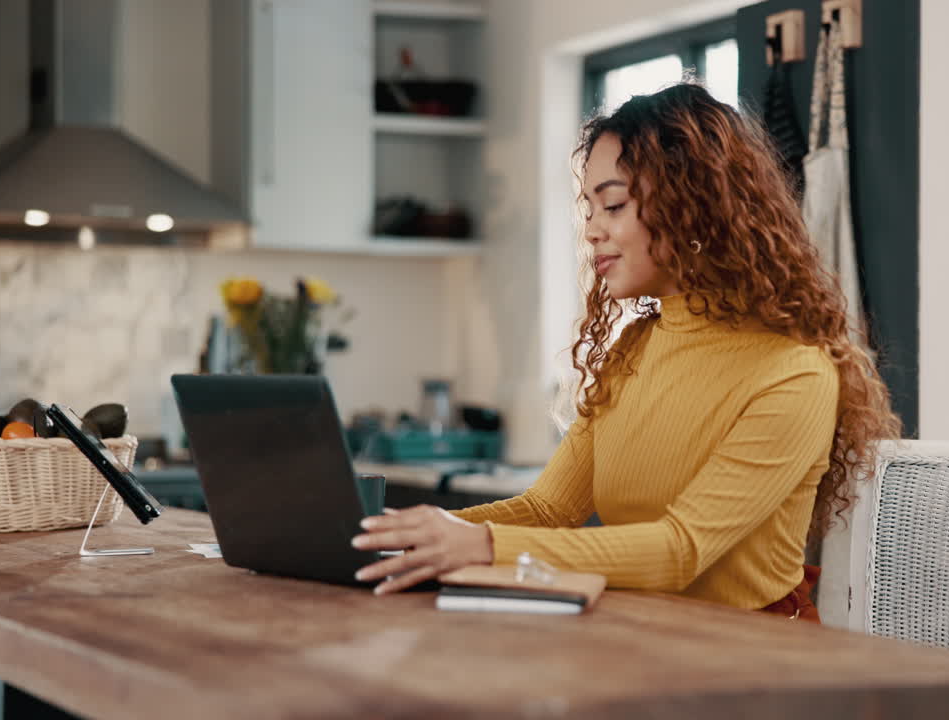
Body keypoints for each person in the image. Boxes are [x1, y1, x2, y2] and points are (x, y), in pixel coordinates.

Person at [352, 83, 901, 620]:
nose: (591, 231)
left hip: (749, 658)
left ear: (693, 206)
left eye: (612, 204)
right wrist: (399, 538)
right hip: (638, 634)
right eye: (589, 208)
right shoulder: (636, 346)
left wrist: (482, 545)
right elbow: (549, 509)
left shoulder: (794, 373)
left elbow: (680, 550)